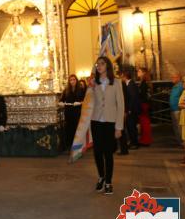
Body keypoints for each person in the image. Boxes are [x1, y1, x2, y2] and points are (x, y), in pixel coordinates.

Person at [89, 56, 125, 195]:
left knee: (108, 153)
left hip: (110, 123)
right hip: (96, 122)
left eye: (102, 64)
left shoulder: (116, 82)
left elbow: (121, 105)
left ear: (108, 66)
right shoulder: (94, 83)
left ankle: (109, 181)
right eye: (97, 64)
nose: (99, 66)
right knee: (97, 152)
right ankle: (101, 177)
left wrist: (119, 127)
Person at [60, 74, 85, 152]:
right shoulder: (66, 90)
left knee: (77, 130)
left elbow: (86, 101)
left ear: (76, 80)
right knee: (69, 130)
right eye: (71, 80)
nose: (72, 81)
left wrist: (80, 103)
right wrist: (60, 103)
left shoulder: (81, 90)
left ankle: (78, 147)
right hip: (68, 113)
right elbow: (61, 100)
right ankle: (70, 147)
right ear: (69, 81)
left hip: (77, 113)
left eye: (74, 79)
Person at [122, 71, 140, 150]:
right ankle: (133, 142)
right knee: (130, 127)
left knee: (132, 127)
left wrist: (129, 109)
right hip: (131, 109)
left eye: (121, 77)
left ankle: (135, 143)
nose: (121, 78)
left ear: (125, 77)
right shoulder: (128, 84)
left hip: (131, 110)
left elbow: (132, 98)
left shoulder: (131, 85)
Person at [137, 67, 152, 146]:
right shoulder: (145, 82)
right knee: (144, 123)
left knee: (145, 123)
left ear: (143, 73)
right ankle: (144, 139)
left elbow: (143, 95)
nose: (137, 72)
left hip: (143, 104)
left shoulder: (144, 83)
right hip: (145, 104)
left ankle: (146, 140)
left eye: (139, 71)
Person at [169, 72, 184, 144]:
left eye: (173, 77)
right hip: (173, 109)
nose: (172, 78)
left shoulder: (181, 86)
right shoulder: (174, 86)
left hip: (178, 109)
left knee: (179, 127)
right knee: (175, 126)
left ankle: (183, 142)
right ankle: (179, 141)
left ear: (178, 78)